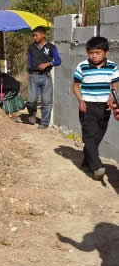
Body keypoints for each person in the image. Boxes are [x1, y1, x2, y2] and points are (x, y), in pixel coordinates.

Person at [72, 36, 119, 180]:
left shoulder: (112, 66)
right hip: (87, 106)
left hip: (105, 107)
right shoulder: (82, 66)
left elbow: (114, 85)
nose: (94, 56)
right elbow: (75, 86)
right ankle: (97, 167)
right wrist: (80, 99)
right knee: (88, 135)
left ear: (106, 52)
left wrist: (112, 96)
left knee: (97, 136)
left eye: (98, 52)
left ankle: (87, 162)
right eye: (91, 53)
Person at [25, 26, 61, 129]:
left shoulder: (51, 47)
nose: (34, 37)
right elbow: (29, 61)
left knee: (47, 101)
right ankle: (32, 114)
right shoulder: (31, 47)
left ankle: (44, 123)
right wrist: (29, 73)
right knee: (31, 100)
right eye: (33, 36)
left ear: (43, 35)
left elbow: (58, 61)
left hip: (46, 77)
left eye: (36, 35)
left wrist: (48, 64)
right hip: (34, 76)